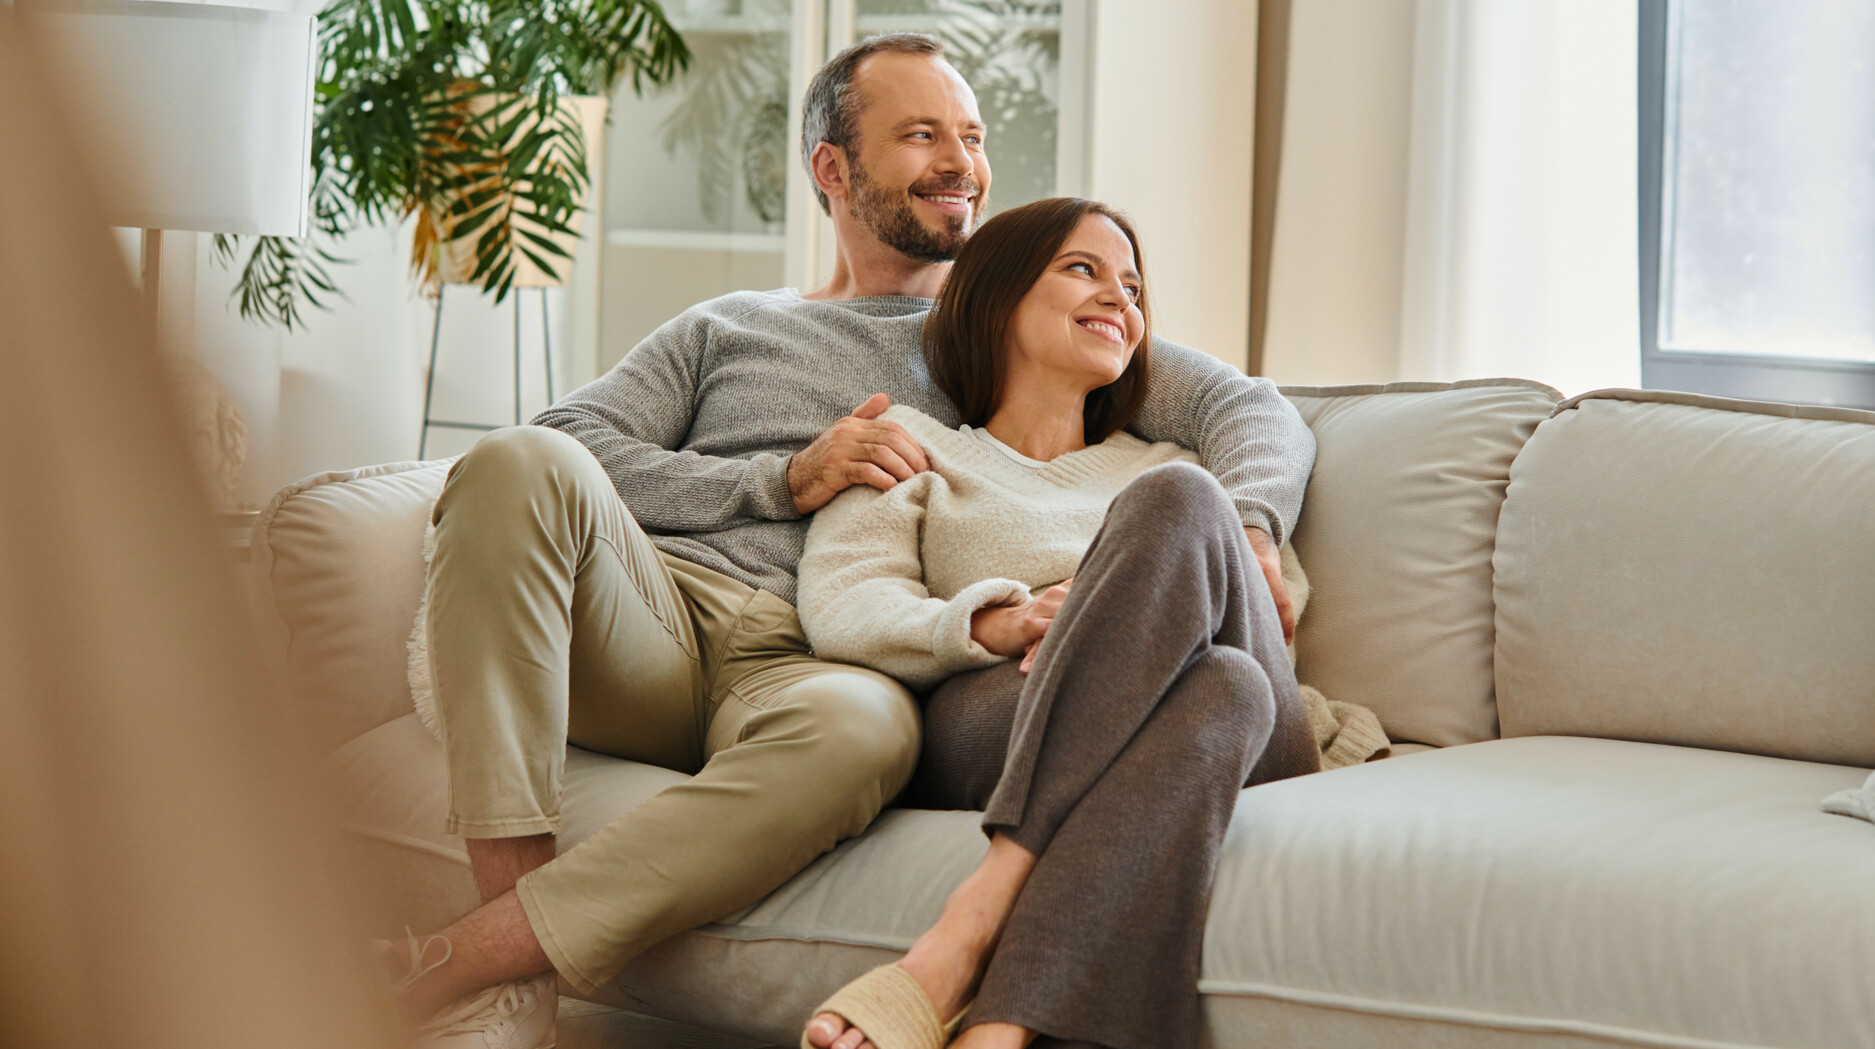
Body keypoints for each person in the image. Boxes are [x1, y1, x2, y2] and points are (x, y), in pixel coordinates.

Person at [379, 31, 1321, 1049]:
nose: (961, 161)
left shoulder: (1010, 321)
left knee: (872, 732)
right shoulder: (728, 326)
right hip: (657, 613)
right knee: (517, 460)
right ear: (833, 168)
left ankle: (476, 956)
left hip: (812, 658)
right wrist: (781, 478)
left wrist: (1255, 530)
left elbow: (1252, 412)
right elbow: (567, 442)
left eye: (970, 134)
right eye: (922, 135)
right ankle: (504, 950)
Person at [793, 197, 1385, 1049]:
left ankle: (966, 927)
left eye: (1134, 287)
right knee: (1222, 690)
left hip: (1267, 742)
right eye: (1084, 270)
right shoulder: (912, 447)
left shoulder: (1176, 471)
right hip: (1003, 711)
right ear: (994, 296)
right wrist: (999, 619)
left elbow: (1261, 613)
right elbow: (844, 604)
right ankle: (999, 1032)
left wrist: (1114, 606)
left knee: (1185, 522)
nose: (1120, 299)